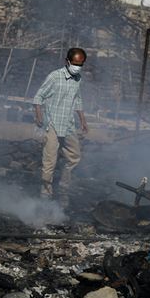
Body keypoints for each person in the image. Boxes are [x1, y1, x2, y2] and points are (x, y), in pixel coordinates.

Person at [33, 48, 89, 207]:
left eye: (81, 64)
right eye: (75, 64)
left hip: (69, 125)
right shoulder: (55, 76)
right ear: (67, 61)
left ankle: (64, 189)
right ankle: (45, 196)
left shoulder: (78, 78)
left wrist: (83, 120)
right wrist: (39, 117)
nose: (77, 67)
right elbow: (39, 96)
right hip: (52, 125)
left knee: (74, 157)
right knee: (49, 162)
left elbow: (78, 99)